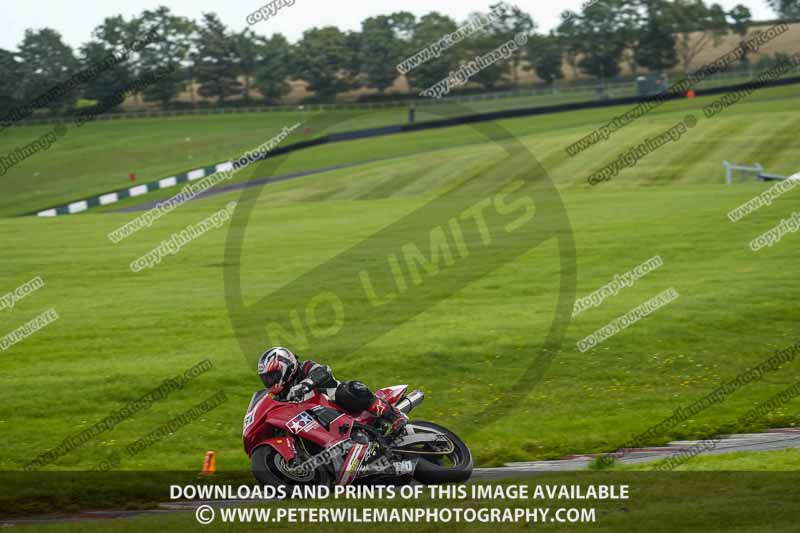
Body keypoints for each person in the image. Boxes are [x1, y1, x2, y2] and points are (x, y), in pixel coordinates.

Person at [257, 346, 407, 436]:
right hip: (319, 425)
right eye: (266, 379)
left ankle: (394, 415)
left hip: (339, 407)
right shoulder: (281, 395)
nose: (270, 382)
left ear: (286, 366)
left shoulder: (304, 367)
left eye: (273, 376)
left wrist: (305, 385)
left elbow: (323, 372)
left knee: (350, 389)